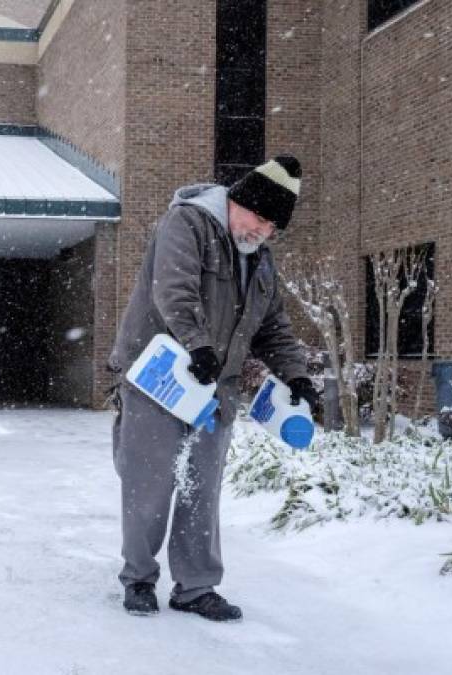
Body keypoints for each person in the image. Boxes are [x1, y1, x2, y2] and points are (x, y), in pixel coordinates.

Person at [107, 155, 320, 622]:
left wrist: (297, 375)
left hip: (214, 388)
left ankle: (196, 587)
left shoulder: (260, 262)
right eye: (259, 219)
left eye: (272, 227)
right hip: (160, 377)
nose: (263, 232)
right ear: (238, 201)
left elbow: (274, 328)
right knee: (150, 481)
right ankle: (139, 578)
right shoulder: (187, 224)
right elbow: (173, 290)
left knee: (202, 487)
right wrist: (198, 345)